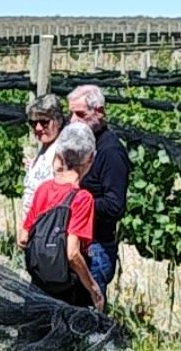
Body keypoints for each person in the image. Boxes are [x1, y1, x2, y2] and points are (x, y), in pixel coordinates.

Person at [18, 124, 104, 311]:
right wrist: (93, 288)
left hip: (38, 287)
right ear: (90, 158)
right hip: (67, 291)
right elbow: (72, 253)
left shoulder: (43, 189)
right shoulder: (82, 198)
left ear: (60, 155)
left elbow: (23, 239)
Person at [69, 84, 130, 310]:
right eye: (71, 113)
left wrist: (77, 204)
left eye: (81, 114)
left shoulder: (111, 152)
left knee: (89, 317)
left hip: (96, 248)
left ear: (100, 112)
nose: (74, 121)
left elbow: (115, 206)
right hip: (78, 244)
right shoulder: (83, 146)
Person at [21, 94, 68, 221]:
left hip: (49, 224)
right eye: (33, 123)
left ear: (58, 121)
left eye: (44, 122)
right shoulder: (44, 148)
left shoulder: (63, 150)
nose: (38, 128)